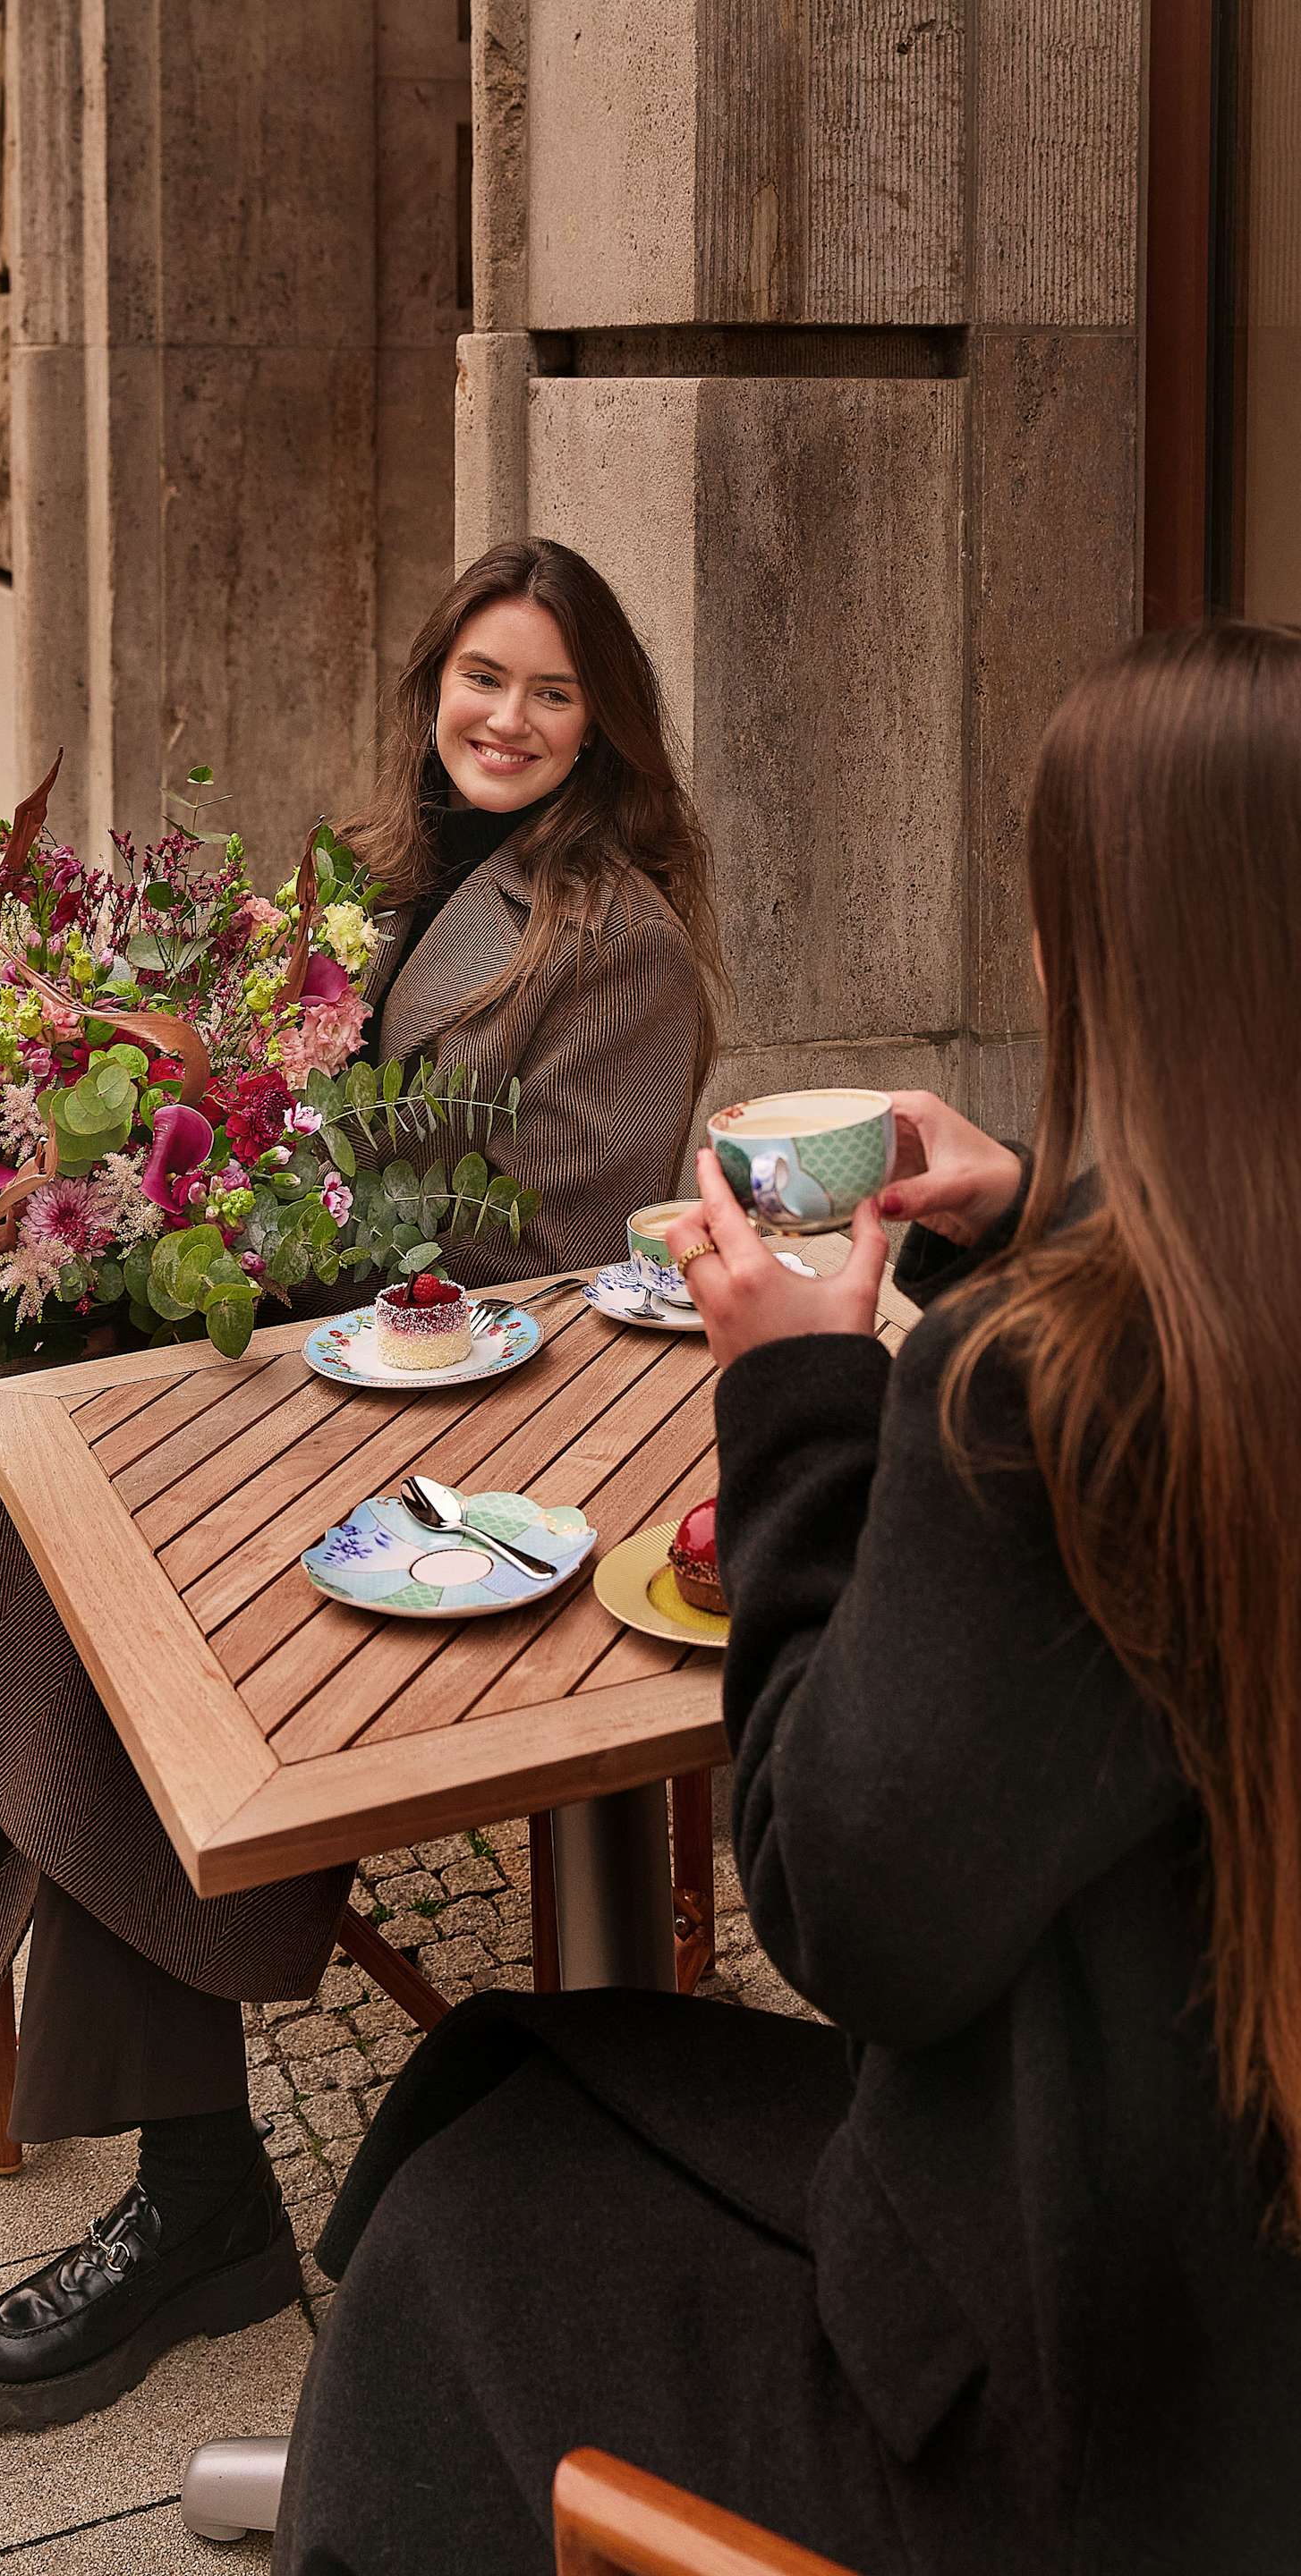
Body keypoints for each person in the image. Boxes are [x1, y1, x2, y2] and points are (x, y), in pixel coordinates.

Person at [0, 540, 727, 2434]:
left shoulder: (613, 940)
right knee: (39, 1477)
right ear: (429, 682)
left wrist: (272, 1239)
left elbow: (557, 1250)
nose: (504, 719)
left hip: (466, 1434)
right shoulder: (371, 872)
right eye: (479, 677)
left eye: (550, 691)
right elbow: (265, 1094)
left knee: (105, 1554)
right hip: (303, 1361)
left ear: (605, 724)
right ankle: (86, 2152)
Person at [272, 621, 1301, 2575]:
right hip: (1223, 2241)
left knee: (465, 2223)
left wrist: (808, 1395)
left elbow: (845, 1914)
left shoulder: (1046, 1399)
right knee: (519, 2070)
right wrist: (1051, 1202)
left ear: (1104, 948)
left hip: (1097, 2409)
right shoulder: (1194, 1332)